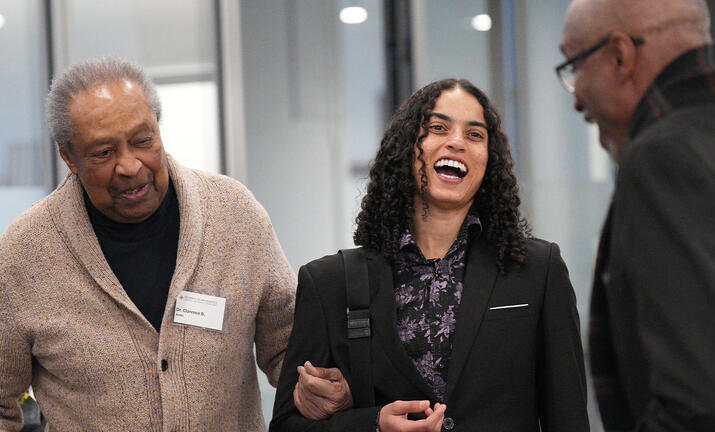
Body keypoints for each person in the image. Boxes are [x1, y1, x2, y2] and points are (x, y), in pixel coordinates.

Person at [0, 56, 329, 431]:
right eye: (104, 153)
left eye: (143, 141)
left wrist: (317, 386)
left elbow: (290, 348)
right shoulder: (25, 253)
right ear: (69, 158)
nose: (130, 166)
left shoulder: (234, 215)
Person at [270, 79, 589, 431]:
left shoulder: (537, 270)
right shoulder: (330, 282)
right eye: (438, 128)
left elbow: (568, 416)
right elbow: (287, 425)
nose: (456, 142)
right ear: (407, 147)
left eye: (475, 135)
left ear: (489, 160)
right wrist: (374, 424)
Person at [558, 0, 715, 430]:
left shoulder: (664, 160)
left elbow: (706, 409)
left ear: (621, 56)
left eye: (575, 65)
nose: (576, 94)